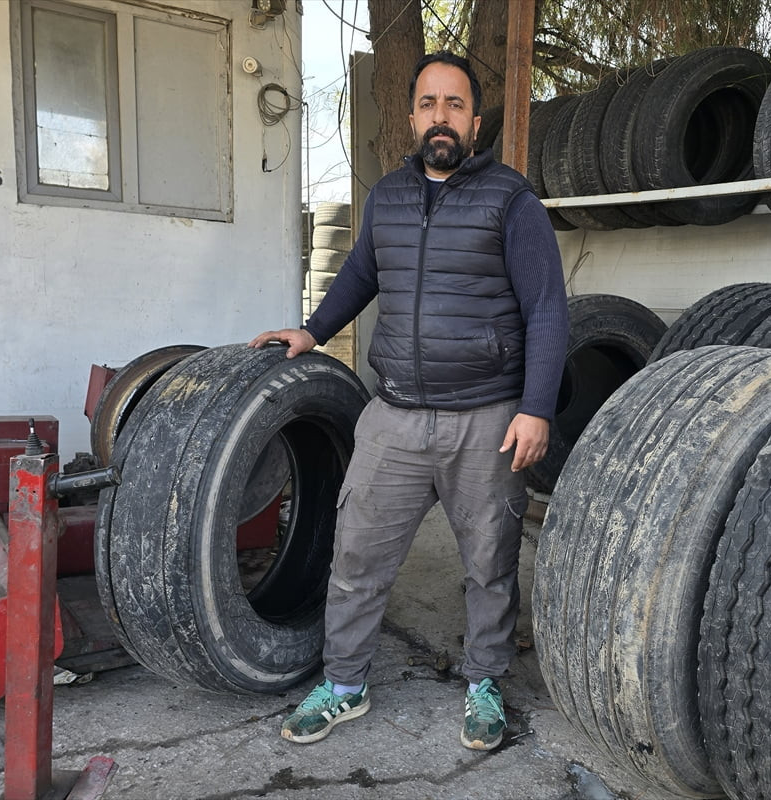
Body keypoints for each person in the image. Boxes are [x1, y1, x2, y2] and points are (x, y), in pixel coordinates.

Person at [249, 50, 568, 752]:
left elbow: (547, 308)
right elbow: (360, 273)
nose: (441, 117)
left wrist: (536, 407)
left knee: (489, 564)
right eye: (429, 103)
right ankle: (344, 683)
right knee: (357, 556)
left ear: (475, 121)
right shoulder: (387, 197)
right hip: (392, 416)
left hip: (486, 418)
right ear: (413, 114)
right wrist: (310, 331)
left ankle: (485, 682)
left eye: (455, 105)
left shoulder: (511, 201)